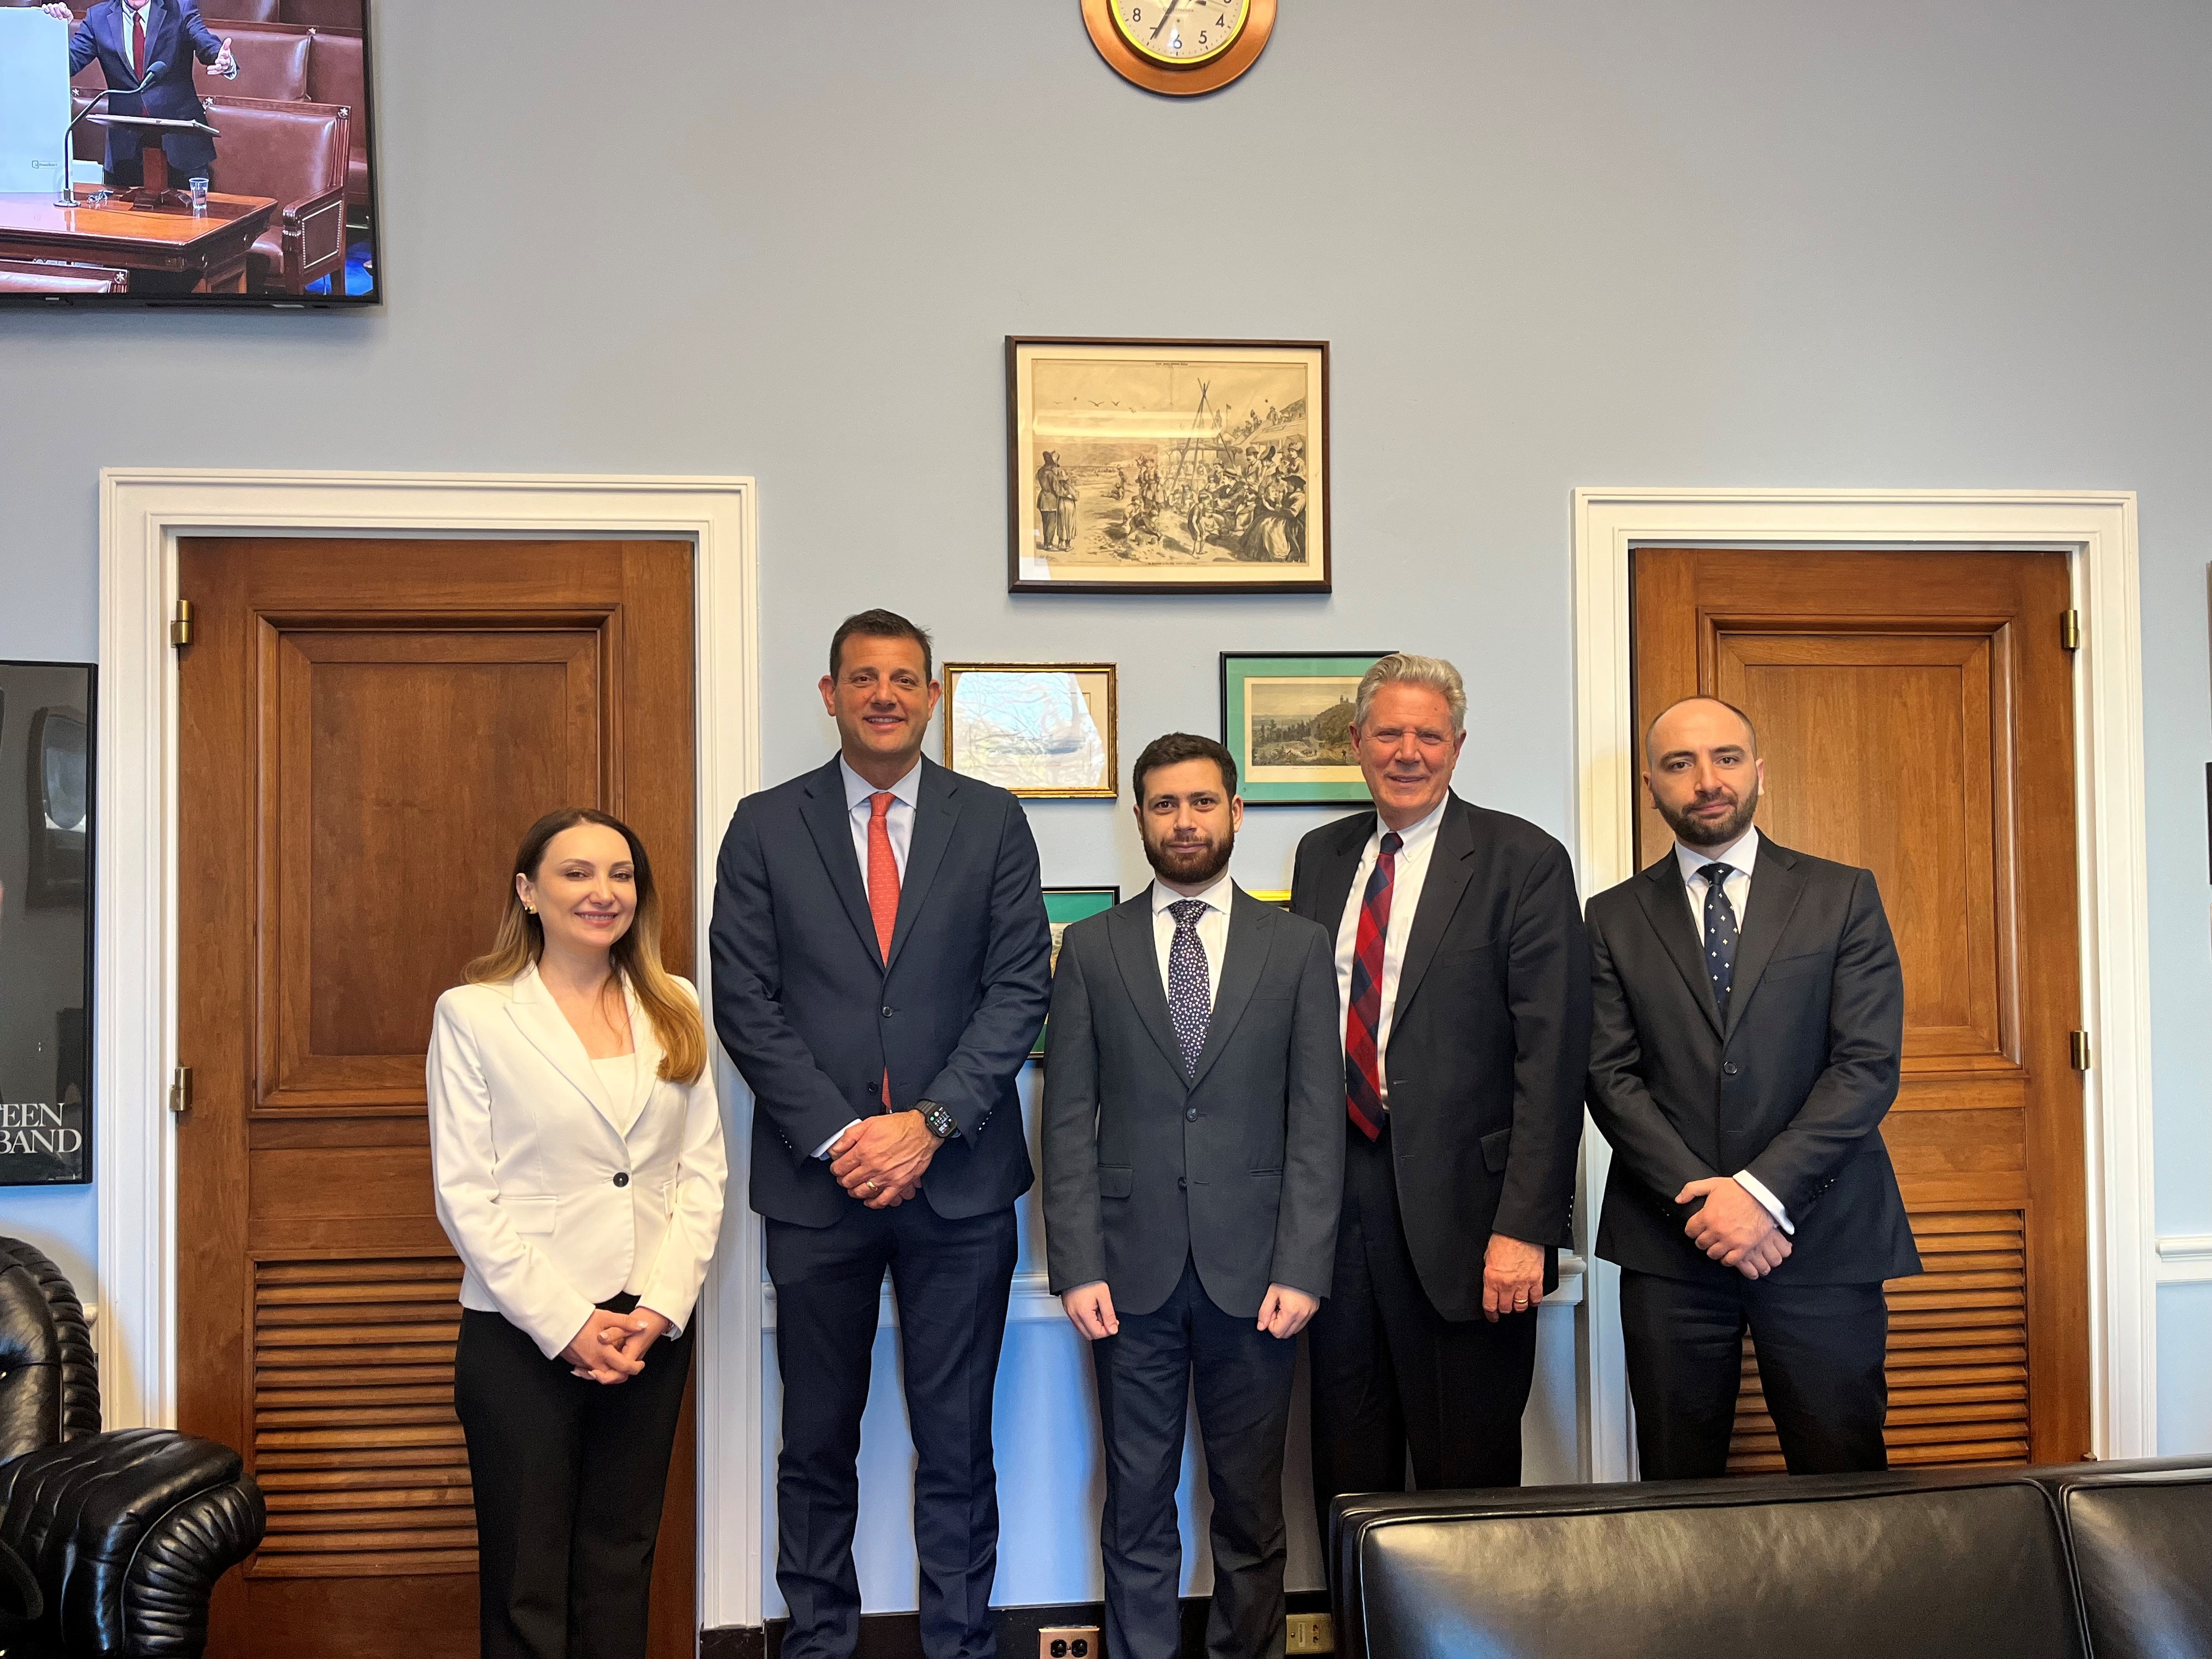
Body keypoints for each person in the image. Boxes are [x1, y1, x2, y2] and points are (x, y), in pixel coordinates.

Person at [712, 609, 1052, 1659]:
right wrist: (846, 1136)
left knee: (956, 1440)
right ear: (829, 694)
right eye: (863, 677)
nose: (885, 694)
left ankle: (959, 1640)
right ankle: (817, 1639)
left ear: (933, 697)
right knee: (816, 1438)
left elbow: (1017, 987)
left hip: (960, 1184)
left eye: (905, 678)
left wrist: (930, 1123)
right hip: (819, 1191)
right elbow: (744, 1000)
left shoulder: (991, 820)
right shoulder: (765, 824)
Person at [1043, 732, 1341, 1659]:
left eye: (1201, 802)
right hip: (1125, 1278)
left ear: (1236, 811)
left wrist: (1302, 1263)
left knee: (1251, 1504)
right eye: (1164, 804)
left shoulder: (1295, 947)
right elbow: (1065, 1119)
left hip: (1257, 1279)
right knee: (1136, 1500)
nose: (1184, 821)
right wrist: (1077, 1262)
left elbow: (1315, 1120)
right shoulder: (1090, 947)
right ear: (1139, 816)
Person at [1291, 653, 1591, 1542]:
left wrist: (1525, 1226)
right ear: (1356, 742)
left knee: (1469, 1491)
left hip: (1473, 1226)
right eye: (1389, 731)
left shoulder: (1523, 859)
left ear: (1458, 745)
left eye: (1429, 734)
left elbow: (1554, 1055)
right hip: (1336, 1217)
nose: (1408, 751)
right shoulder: (1321, 856)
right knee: (1347, 1480)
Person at [1584, 695, 1918, 1479]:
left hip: (1823, 1235)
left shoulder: (1843, 896)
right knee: (1678, 1485)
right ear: (1652, 785)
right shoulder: (1611, 918)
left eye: (1726, 758)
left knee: (1845, 1481)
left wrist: (1759, 1196)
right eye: (1680, 764)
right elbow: (1609, 1075)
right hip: (1672, 1245)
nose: (1707, 780)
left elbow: (1865, 1065)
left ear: (1758, 771)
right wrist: (1705, 1203)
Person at [426, 808, 728, 1659]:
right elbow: (465, 1194)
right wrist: (566, 1325)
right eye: (577, 873)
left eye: (621, 875)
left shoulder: (676, 1003)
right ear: (528, 892)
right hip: (524, 1330)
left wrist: (663, 1307)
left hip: (648, 1330)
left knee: (619, 1559)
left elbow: (702, 1173)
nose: (603, 892)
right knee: (526, 1577)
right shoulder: (475, 1014)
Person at [44, 0, 236, 190]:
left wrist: (221, 58)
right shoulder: (98, 17)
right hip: (126, 154)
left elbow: (203, 40)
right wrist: (56, 31)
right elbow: (67, 65)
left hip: (182, 149)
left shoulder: (179, 7)